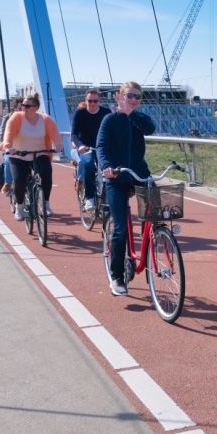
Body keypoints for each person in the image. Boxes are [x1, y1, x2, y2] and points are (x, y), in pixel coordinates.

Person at [96, 82, 155, 297]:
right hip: (117, 177)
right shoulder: (110, 120)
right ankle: (117, 277)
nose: (134, 100)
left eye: (138, 97)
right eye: (130, 95)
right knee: (120, 229)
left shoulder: (139, 119)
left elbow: (150, 128)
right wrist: (106, 167)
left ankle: (154, 239)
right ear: (118, 97)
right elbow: (101, 146)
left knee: (155, 214)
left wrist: (131, 114)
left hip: (139, 173)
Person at [1, 93, 63, 221]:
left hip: (39, 154)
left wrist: (58, 145)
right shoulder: (16, 117)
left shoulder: (45, 119)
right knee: (19, 180)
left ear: (36, 107)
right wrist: (8, 146)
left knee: (46, 173)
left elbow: (55, 135)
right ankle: (19, 206)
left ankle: (45, 203)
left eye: (27, 105)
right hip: (19, 155)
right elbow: (8, 133)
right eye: (23, 105)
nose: (24, 107)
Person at [70, 89, 110, 211]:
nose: (92, 103)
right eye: (89, 101)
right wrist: (79, 145)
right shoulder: (79, 113)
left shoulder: (106, 113)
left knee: (109, 167)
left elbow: (112, 131)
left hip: (101, 147)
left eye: (95, 101)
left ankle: (109, 197)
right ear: (85, 101)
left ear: (99, 101)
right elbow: (74, 134)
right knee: (88, 163)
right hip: (85, 147)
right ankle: (90, 198)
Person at [0, 98, 24, 194]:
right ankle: (8, 183)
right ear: (15, 107)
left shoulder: (29, 118)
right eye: (21, 107)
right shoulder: (8, 118)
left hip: (25, 148)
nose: (23, 109)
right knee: (9, 160)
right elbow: (1, 133)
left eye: (24, 106)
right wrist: (3, 146)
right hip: (10, 147)